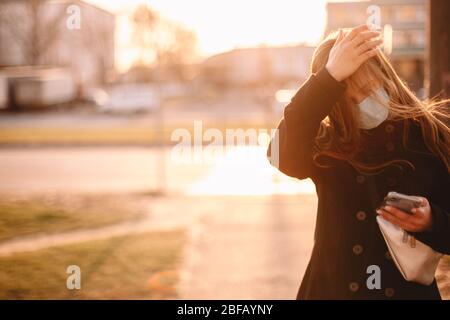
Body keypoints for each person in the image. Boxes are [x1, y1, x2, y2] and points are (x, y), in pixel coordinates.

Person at [267, 24, 450, 299]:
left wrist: (432, 221)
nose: (361, 101)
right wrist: (327, 78)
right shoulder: (326, 140)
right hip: (332, 290)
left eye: (367, 88)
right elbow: (281, 156)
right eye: (347, 98)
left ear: (385, 76)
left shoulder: (428, 134)